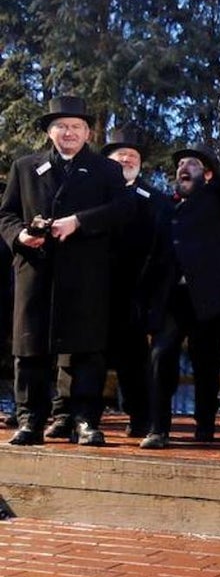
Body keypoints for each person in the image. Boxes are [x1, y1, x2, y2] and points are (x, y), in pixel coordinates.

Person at [0, 96, 132, 446]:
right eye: (61, 126)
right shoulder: (25, 167)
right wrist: (21, 235)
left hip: (85, 275)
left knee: (85, 352)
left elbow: (123, 211)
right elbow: (6, 215)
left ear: (88, 132)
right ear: (49, 132)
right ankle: (30, 421)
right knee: (29, 351)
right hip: (35, 272)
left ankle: (85, 420)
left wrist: (79, 222)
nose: (68, 132)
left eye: (76, 126)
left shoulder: (106, 170)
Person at [139, 95, 220, 448]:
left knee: (206, 362)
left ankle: (204, 427)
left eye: (194, 164)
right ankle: (159, 428)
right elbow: (153, 257)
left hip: (210, 299)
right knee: (161, 354)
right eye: (181, 163)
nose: (184, 167)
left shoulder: (217, 200)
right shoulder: (163, 209)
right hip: (172, 298)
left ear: (209, 174)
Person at [102, 125, 170, 438]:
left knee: (134, 363)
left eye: (133, 156)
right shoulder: (93, 194)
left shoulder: (156, 200)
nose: (127, 160)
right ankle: (78, 416)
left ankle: (139, 416)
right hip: (96, 293)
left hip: (136, 295)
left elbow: (163, 252)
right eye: (120, 155)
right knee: (86, 359)